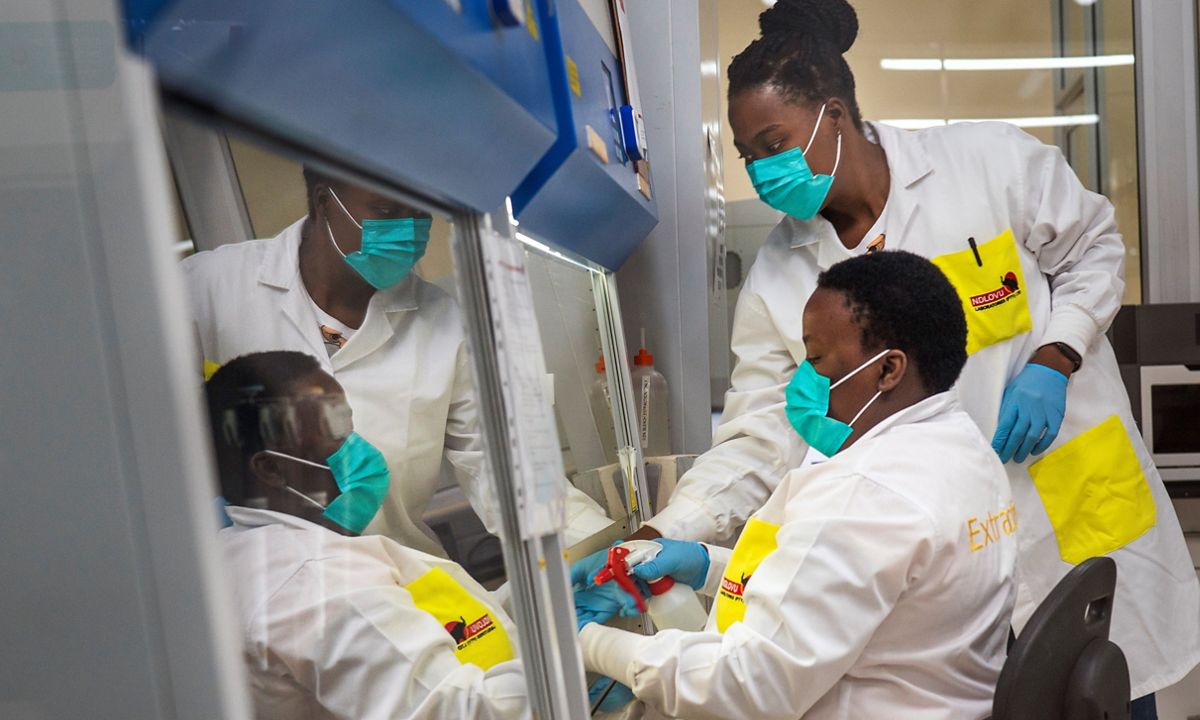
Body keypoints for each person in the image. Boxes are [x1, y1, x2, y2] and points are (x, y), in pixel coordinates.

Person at [579, 1, 1200, 714]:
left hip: (1065, 504)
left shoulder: (986, 163)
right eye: (746, 154)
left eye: (773, 142)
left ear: (836, 115)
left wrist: (1053, 357)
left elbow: (1095, 246)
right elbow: (759, 436)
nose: (761, 170)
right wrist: (665, 531)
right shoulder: (781, 278)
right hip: (940, 568)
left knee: (1104, 689)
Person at [576, 252, 1018, 719]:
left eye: (816, 358)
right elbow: (846, 593)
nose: (801, 381)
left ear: (888, 370)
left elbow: (745, 688)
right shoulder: (964, 447)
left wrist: (590, 644)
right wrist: (708, 567)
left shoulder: (864, 490)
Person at [184, 170, 611, 556]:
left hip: (400, 581)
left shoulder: (448, 324)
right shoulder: (208, 289)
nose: (405, 230)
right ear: (323, 201)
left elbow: (506, 471)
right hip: (257, 589)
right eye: (386, 210)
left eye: (419, 213)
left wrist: (607, 547)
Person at [206, 351, 529, 719]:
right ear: (272, 469)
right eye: (336, 434)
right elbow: (461, 711)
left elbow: (408, 631)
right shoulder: (318, 581)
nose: (360, 449)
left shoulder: (245, 552)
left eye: (351, 427)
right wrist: (578, 649)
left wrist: (528, 606)